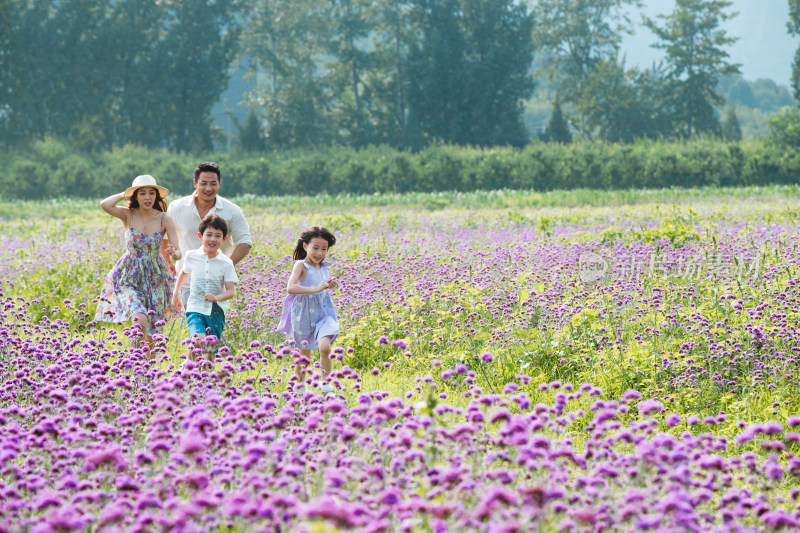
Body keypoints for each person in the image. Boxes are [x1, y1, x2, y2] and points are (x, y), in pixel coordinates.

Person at [95, 175, 181, 352]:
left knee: (154, 333)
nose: (148, 197)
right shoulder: (128, 215)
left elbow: (178, 252)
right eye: (142, 193)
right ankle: (133, 364)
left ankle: (146, 373)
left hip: (156, 276)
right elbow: (105, 204)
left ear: (157, 196)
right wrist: (124, 194)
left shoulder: (165, 218)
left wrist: (175, 253)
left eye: (151, 193)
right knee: (139, 321)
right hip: (129, 275)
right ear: (135, 196)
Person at [164, 161, 252, 306]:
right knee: (193, 325)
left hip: (217, 284)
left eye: (213, 183)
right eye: (203, 183)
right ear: (195, 183)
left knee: (214, 326)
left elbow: (245, 242)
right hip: (187, 281)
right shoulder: (177, 207)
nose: (208, 188)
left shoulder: (232, 210)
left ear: (219, 184)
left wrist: (227, 265)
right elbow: (164, 238)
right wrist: (168, 263)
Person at [277, 226, 340, 394]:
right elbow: (290, 288)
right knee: (304, 356)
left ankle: (327, 387)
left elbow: (323, 286)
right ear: (305, 247)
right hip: (303, 314)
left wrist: (330, 285)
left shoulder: (324, 267)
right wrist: (314, 289)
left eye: (324, 249)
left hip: (323, 314)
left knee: (325, 348)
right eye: (316, 248)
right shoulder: (300, 265)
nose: (319, 253)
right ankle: (299, 388)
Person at [172, 214, 238, 359]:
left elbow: (231, 291)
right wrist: (176, 293)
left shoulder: (226, 263)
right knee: (198, 341)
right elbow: (183, 274)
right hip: (195, 306)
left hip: (216, 310)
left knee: (209, 351)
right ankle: (189, 372)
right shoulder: (191, 256)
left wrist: (217, 298)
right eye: (209, 235)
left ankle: (202, 377)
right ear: (200, 236)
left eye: (218, 236)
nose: (213, 239)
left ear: (224, 239)